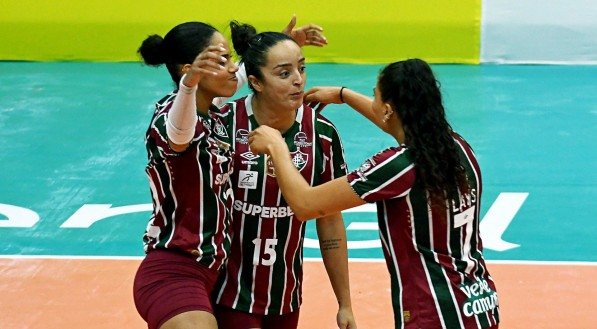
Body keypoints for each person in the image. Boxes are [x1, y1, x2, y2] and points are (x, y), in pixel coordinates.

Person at [248, 58, 500, 329]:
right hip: (480, 303)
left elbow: (307, 205)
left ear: (389, 109)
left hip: (434, 311)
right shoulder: (458, 146)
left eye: (374, 97)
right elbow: (396, 121)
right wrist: (343, 95)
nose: (373, 103)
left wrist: (277, 147)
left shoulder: (398, 167)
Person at [133, 18, 329, 329]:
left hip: (215, 275)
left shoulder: (210, 111)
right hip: (175, 270)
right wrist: (190, 82)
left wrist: (282, 44)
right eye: (220, 60)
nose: (231, 68)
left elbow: (246, 77)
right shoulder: (171, 118)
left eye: (229, 58)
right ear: (189, 70)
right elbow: (179, 135)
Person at [212, 23, 357, 329]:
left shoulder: (322, 134)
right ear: (255, 82)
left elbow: (329, 219)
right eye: (284, 73)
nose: (298, 81)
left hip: (286, 296)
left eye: (301, 69)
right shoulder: (223, 124)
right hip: (228, 291)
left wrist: (345, 303)